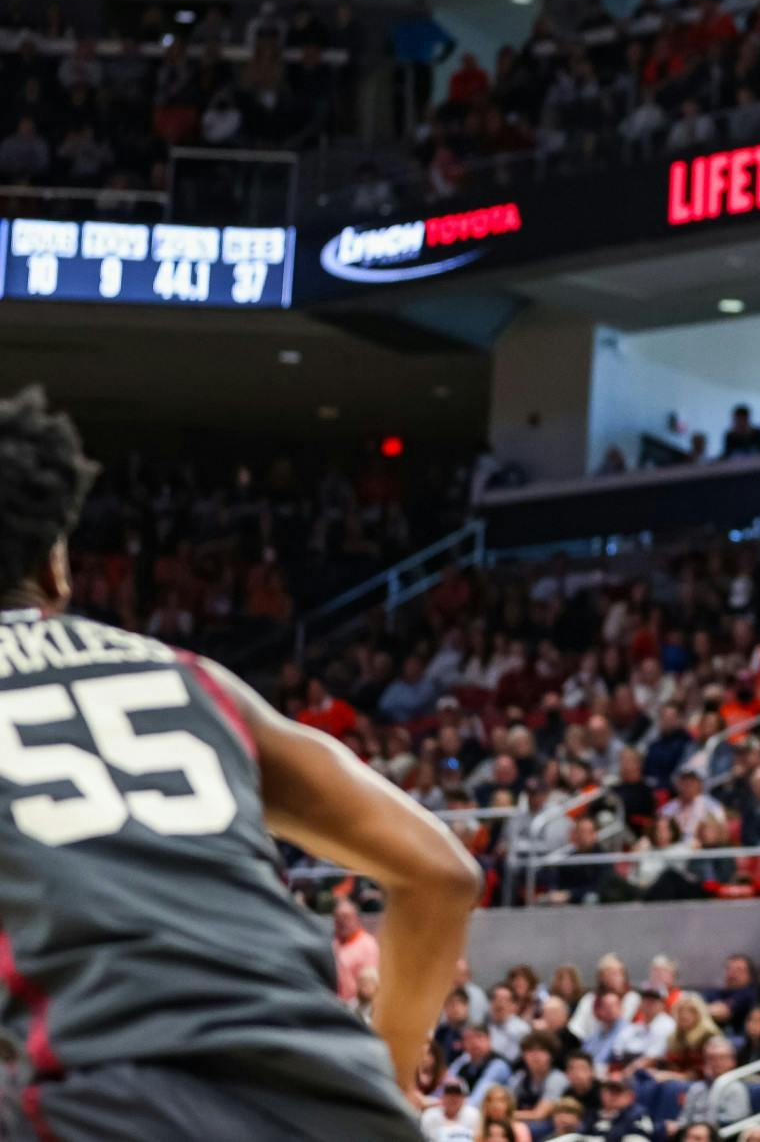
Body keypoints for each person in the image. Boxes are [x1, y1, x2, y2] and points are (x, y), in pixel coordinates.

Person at [0, 386, 484, 1141]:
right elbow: (443, 873)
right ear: (58, 569)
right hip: (338, 1097)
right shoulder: (195, 679)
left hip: (111, 1104)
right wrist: (382, 1079)